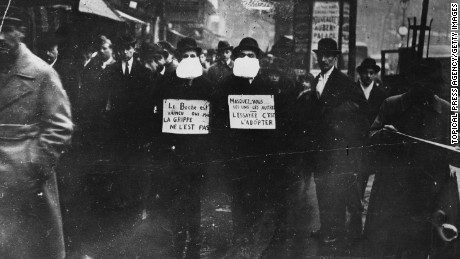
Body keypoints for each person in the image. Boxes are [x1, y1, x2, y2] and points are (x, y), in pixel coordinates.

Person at [364, 59, 460, 258]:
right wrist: (383, 134)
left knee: (427, 243)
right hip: (395, 188)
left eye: (429, 85)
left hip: (430, 192)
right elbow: (371, 139)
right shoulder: (392, 105)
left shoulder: (446, 110)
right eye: (419, 83)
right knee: (393, 244)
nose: (423, 89)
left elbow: (456, 153)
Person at [0, 10, 73, 259]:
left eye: (7, 29)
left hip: (26, 185)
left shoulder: (42, 73)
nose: (0, 37)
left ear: (21, 32)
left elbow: (60, 128)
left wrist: (32, 168)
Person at [213, 37, 295, 247]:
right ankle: (240, 235)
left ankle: (250, 234)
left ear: (257, 58)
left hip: (259, 155)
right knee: (237, 197)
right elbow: (218, 122)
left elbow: (277, 122)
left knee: (257, 197)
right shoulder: (226, 85)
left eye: (251, 55)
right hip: (235, 154)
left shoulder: (267, 85)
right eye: (242, 55)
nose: (246, 59)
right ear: (236, 58)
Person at [299, 38, 368, 244]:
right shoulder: (316, 80)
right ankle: (326, 228)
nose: (324, 59)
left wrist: (337, 117)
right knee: (321, 187)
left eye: (329, 55)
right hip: (319, 147)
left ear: (335, 58)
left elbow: (361, 109)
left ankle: (335, 231)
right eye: (320, 55)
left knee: (335, 188)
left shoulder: (345, 82)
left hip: (337, 147)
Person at [155, 37, 214, 258]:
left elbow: (213, 120)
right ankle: (178, 237)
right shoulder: (167, 82)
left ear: (197, 58)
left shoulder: (206, 85)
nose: (189, 59)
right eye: (185, 56)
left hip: (197, 152)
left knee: (195, 196)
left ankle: (195, 237)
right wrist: (165, 143)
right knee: (176, 195)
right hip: (174, 150)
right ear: (179, 59)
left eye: (193, 56)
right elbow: (158, 116)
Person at [101, 33, 153, 212]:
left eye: (129, 48)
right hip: (117, 129)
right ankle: (120, 202)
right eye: (122, 48)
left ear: (133, 49)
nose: (125, 52)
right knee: (119, 165)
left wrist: (146, 132)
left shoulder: (144, 73)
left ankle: (136, 204)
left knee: (136, 166)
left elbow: (148, 106)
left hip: (137, 129)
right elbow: (106, 101)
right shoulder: (110, 71)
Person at [354, 58, 387, 196]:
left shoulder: (381, 94)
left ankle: (359, 200)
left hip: (371, 139)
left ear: (375, 74)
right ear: (360, 74)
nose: (368, 76)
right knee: (352, 171)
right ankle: (354, 201)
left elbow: (383, 116)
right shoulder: (352, 90)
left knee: (366, 170)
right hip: (354, 137)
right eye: (365, 72)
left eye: (371, 73)